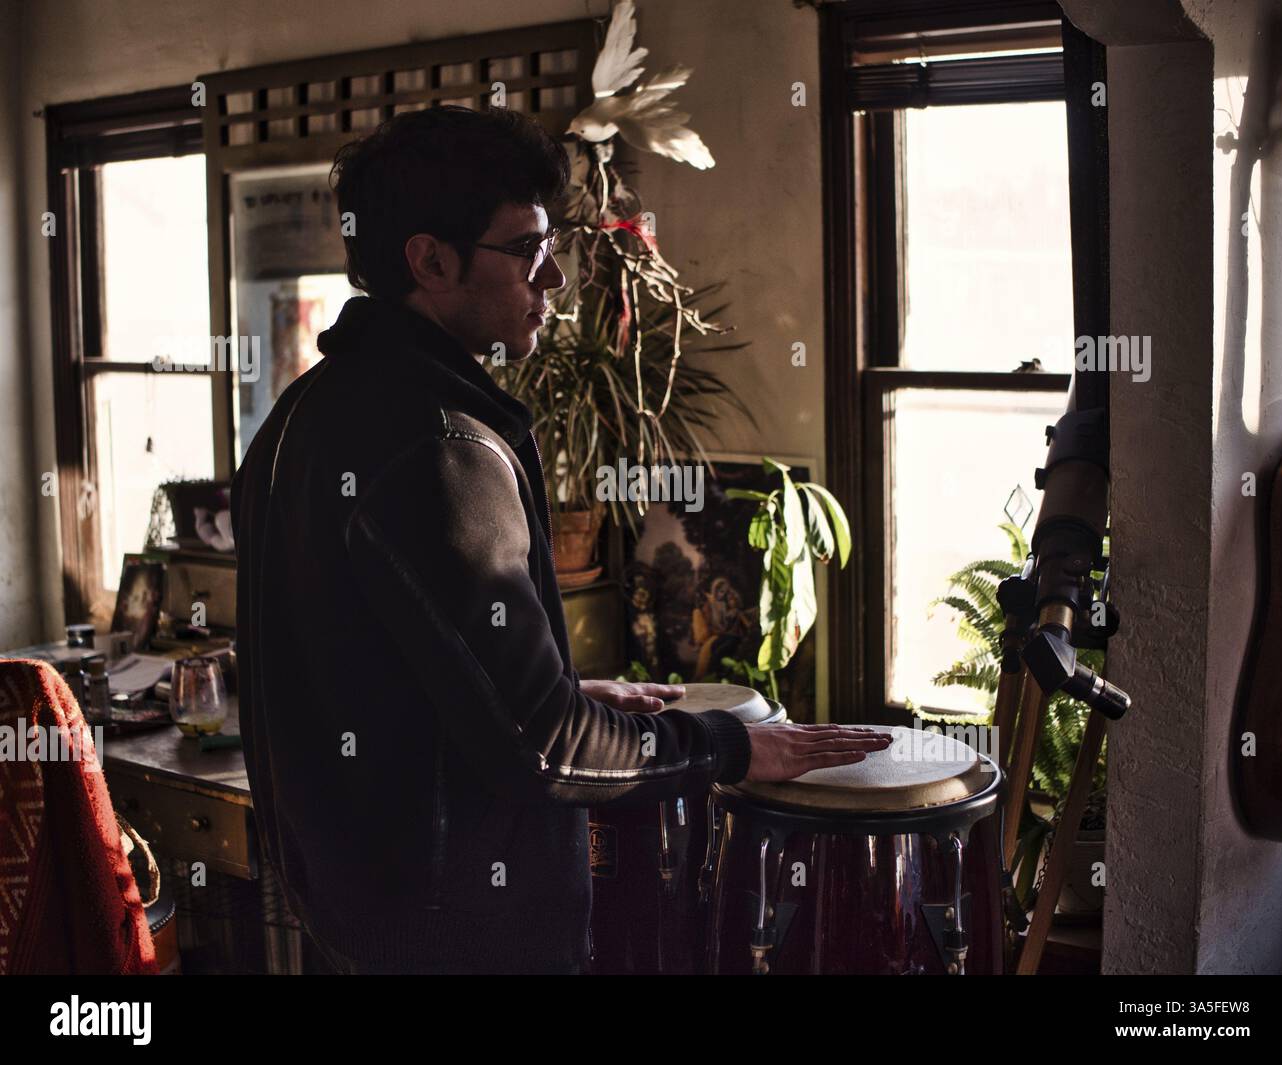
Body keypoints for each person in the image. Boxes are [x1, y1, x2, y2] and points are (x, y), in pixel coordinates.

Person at [231, 105, 891, 975]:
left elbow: (383, 675)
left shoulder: (296, 417)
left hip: (353, 920)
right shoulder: (441, 446)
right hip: (462, 942)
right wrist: (734, 746)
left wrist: (554, 688)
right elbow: (547, 747)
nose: (556, 281)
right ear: (430, 260)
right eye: (528, 250)